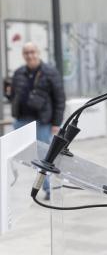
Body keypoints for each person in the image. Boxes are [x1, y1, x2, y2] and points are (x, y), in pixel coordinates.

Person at [7, 42, 66, 200]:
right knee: (13, 154)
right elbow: (13, 95)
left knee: (43, 157)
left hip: (42, 122)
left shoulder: (50, 72)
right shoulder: (19, 72)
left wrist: (56, 122)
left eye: (32, 51)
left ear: (38, 52)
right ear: (23, 55)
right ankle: (10, 186)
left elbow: (59, 98)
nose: (30, 55)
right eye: (26, 52)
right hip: (21, 121)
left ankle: (48, 188)